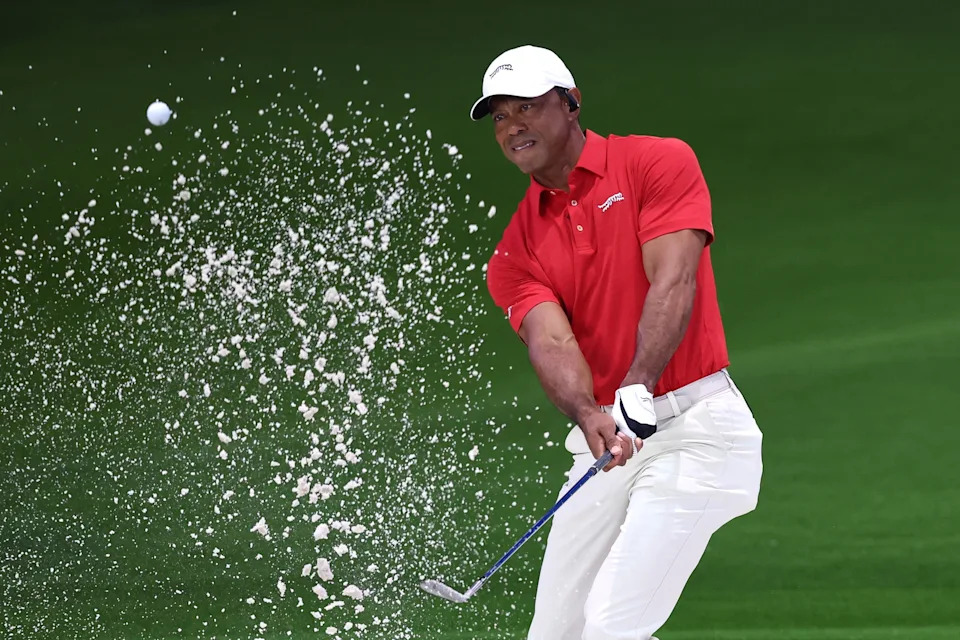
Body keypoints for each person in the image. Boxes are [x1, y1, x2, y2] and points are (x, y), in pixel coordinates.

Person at [471, 45, 764, 640]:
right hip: (607, 447)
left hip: (697, 431)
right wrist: (586, 412)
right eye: (500, 115)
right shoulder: (513, 252)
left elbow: (674, 277)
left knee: (611, 627)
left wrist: (639, 380)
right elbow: (551, 341)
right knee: (554, 634)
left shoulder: (657, 162)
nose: (514, 125)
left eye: (528, 106)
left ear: (572, 104)